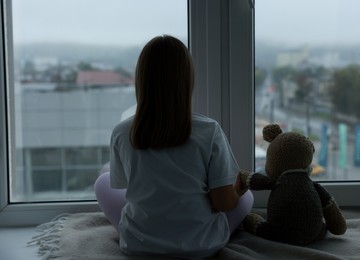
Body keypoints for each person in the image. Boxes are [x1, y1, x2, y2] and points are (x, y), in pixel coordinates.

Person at [94, 35, 254, 258]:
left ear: (141, 80)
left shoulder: (122, 132)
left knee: (104, 181)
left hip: (138, 245)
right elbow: (223, 203)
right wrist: (238, 189)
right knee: (246, 197)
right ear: (187, 80)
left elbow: (123, 186)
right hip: (201, 245)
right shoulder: (209, 130)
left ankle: (145, 231)